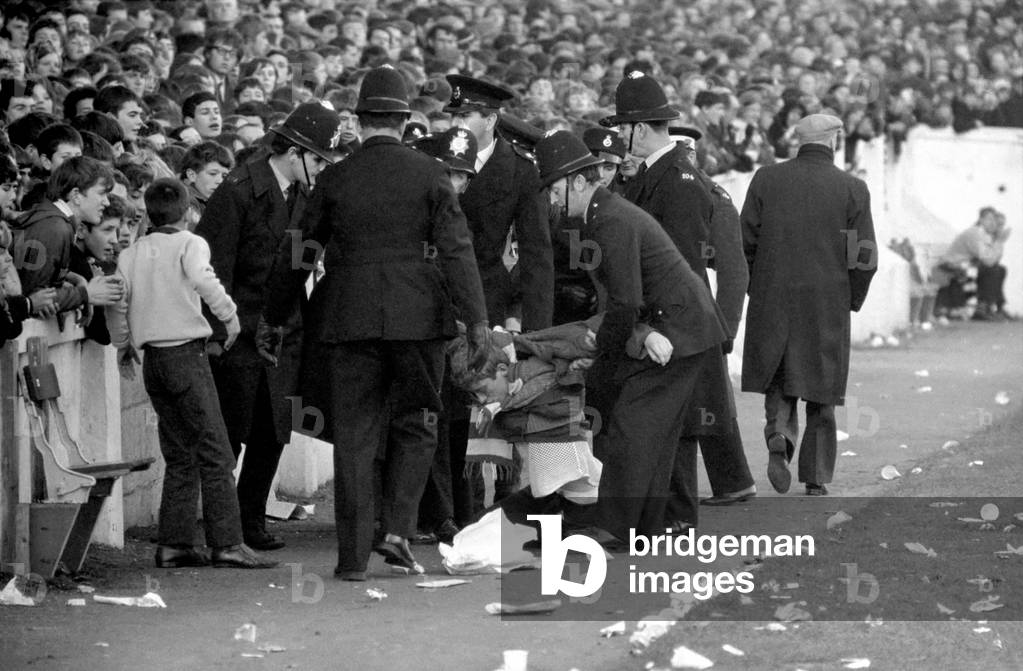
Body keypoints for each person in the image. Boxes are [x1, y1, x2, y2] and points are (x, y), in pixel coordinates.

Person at [259, 66, 489, 581]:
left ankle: (352, 559)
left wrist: (274, 316)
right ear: (404, 120)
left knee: (356, 437)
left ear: (360, 121)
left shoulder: (335, 177)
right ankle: (397, 530)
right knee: (418, 423)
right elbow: (456, 250)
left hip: (348, 318)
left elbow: (298, 251)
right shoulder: (430, 174)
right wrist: (476, 321)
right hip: (418, 318)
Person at [533, 130, 727, 543]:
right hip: (676, 327)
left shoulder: (610, 221)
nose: (550, 200)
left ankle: (616, 527)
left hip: (680, 330)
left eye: (553, 190)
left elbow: (625, 302)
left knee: (631, 428)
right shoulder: (601, 216)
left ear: (579, 182)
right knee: (655, 431)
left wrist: (603, 362)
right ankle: (654, 525)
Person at [602, 72, 747, 529]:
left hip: (675, 318)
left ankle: (677, 515)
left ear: (639, 129)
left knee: (676, 416)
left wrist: (658, 326)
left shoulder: (678, 181)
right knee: (676, 417)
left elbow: (681, 262)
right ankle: (674, 514)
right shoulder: (660, 175)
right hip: (674, 318)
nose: (620, 139)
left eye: (623, 129)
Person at [107, 178, 277, 570]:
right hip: (187, 355)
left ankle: (175, 543)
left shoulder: (131, 253)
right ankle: (228, 543)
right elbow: (204, 279)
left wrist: (123, 344)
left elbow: (117, 301)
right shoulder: (191, 243)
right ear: (187, 212)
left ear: (148, 212)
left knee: (180, 454)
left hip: (154, 360)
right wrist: (230, 317)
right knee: (217, 453)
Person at [195, 101, 340, 552]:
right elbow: (213, 267)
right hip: (239, 331)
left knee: (274, 431)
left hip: (283, 332)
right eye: (316, 158)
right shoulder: (237, 191)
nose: (320, 168)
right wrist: (220, 335)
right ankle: (225, 527)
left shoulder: (302, 196)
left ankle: (251, 517)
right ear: (293, 151)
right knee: (233, 433)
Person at [740, 113, 877, 496]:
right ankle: (815, 477)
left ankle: (779, 433)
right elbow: (863, 255)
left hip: (773, 297)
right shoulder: (852, 188)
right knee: (822, 388)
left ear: (798, 140)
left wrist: (758, 286)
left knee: (780, 375)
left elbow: (744, 241)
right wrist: (851, 296)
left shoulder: (766, 178)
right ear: (833, 140)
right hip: (826, 300)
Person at [444, 74, 553, 334]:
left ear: (490, 120)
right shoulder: (431, 156)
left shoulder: (520, 169)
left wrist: (535, 332)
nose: (456, 124)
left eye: (465, 116)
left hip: (484, 296)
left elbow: (536, 254)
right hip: (432, 292)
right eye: (454, 116)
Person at [934, 207, 1013, 321]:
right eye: (989, 219)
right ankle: (981, 308)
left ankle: (998, 306)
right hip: (952, 267)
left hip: (967, 266)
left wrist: (997, 241)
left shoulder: (986, 235)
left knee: (1001, 269)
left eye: (994, 221)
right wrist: (999, 242)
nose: (993, 223)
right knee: (992, 270)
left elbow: (994, 259)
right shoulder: (975, 233)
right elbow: (988, 261)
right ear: (981, 220)